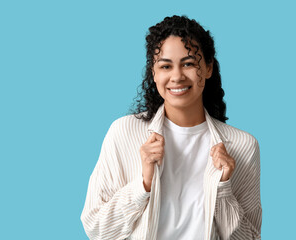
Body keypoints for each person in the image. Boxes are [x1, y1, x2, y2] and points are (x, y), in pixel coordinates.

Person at [81, 15, 262, 240]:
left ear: (208, 68)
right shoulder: (123, 133)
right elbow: (97, 228)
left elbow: (251, 238)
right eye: (166, 66)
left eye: (188, 63)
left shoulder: (243, 147)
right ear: (154, 73)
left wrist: (223, 189)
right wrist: (143, 185)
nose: (176, 76)